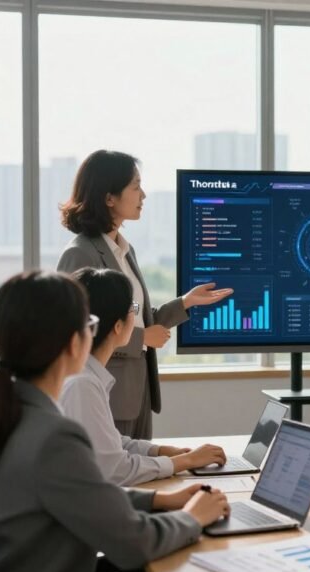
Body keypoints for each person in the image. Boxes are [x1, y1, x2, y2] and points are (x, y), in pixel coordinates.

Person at [0, 271, 230, 572]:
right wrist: (192, 517)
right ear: (73, 343)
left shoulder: (10, 412)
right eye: (89, 324)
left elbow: (88, 496)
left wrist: (158, 501)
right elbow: (133, 544)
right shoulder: (52, 437)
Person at [57, 149, 234, 440]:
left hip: (138, 394)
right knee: (119, 477)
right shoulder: (79, 254)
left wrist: (185, 302)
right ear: (109, 197)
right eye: (136, 187)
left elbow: (138, 320)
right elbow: (74, 334)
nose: (144, 195)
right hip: (107, 397)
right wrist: (142, 340)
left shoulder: (125, 250)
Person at [60, 267, 228, 485]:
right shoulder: (82, 384)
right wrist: (186, 461)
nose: (137, 316)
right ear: (118, 327)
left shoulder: (87, 376)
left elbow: (110, 443)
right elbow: (116, 470)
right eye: (133, 309)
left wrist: (164, 451)